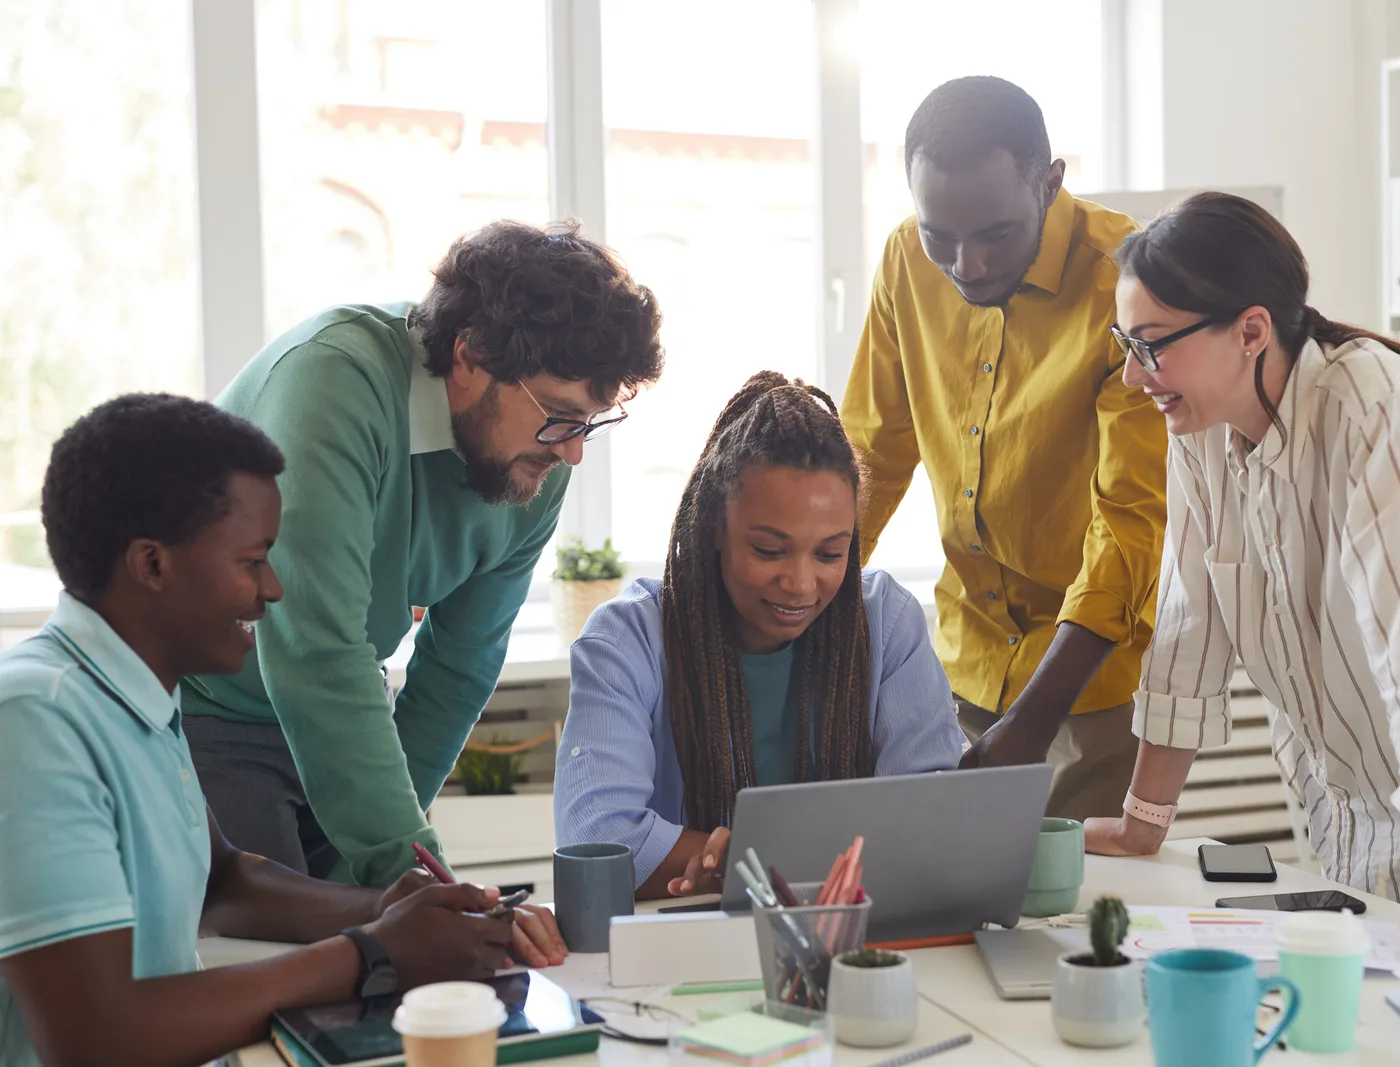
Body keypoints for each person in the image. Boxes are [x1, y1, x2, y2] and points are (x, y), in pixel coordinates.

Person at [1089, 191, 1400, 962]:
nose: (1133, 374)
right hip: (1352, 807)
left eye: (1152, 346)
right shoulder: (1200, 424)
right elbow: (1191, 626)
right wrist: (1141, 822)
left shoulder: (1370, 402)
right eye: (1127, 343)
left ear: (1251, 330)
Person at [0, 395, 568, 1067]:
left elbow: (225, 882)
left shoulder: (133, 694)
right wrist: (372, 952)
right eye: (253, 560)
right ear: (152, 565)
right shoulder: (37, 718)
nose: (273, 589)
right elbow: (94, 1036)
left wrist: (385, 907)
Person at [181, 221, 665, 887]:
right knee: (279, 963)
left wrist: (406, 873)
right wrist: (414, 879)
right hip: (214, 708)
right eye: (558, 414)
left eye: (589, 423)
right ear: (467, 357)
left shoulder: (541, 459)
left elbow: (459, 667)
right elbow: (316, 648)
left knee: (379, 947)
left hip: (345, 710)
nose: (572, 450)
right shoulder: (334, 382)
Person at [840, 76, 1168, 820]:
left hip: (1092, 678)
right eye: (940, 236)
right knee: (951, 906)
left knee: (1079, 917)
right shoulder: (903, 260)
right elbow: (871, 453)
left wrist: (1036, 715)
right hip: (961, 661)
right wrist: (802, 605)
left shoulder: (1130, 278)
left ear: (1050, 182)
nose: (968, 264)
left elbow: (1131, 520)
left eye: (995, 235)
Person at [554, 373, 964, 898]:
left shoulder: (885, 622)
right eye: (769, 551)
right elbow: (598, 844)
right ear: (714, 532)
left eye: (830, 554)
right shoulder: (627, 641)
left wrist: (737, 859)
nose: (800, 584)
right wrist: (784, 861)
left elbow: (934, 818)